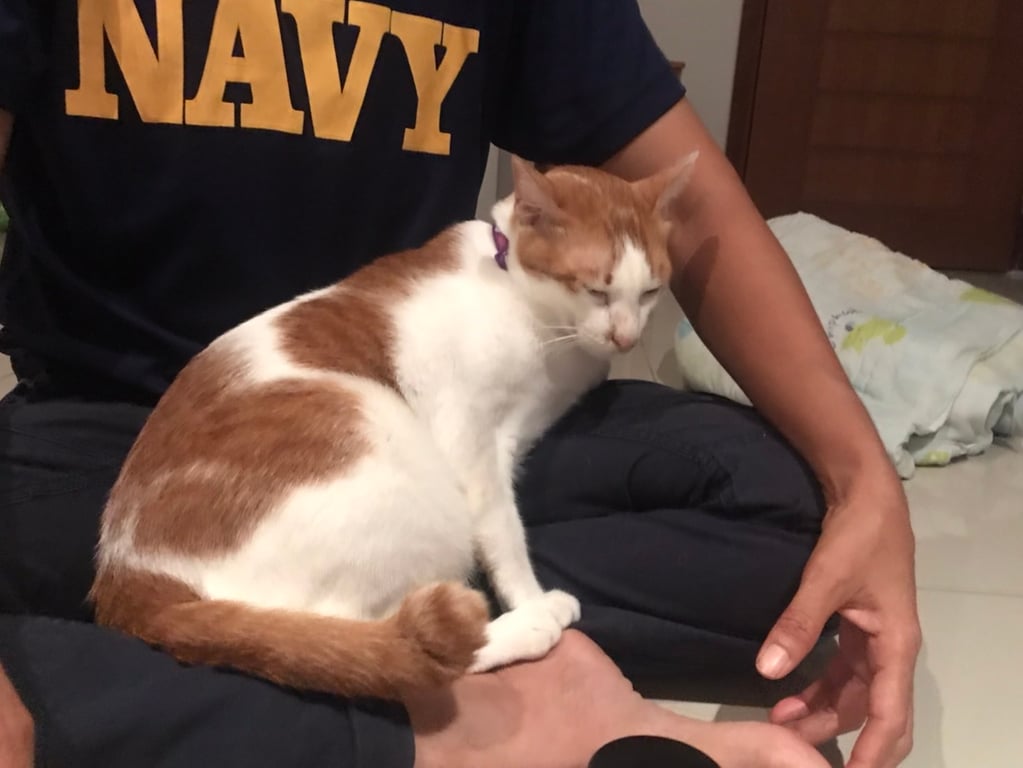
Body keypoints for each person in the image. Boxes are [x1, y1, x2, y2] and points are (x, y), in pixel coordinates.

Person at [0, 1, 920, 766]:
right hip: (110, 441)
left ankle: (320, 665)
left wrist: (865, 483)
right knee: (75, 588)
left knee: (786, 506)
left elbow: (693, 198)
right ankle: (448, 717)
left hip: (426, 412)